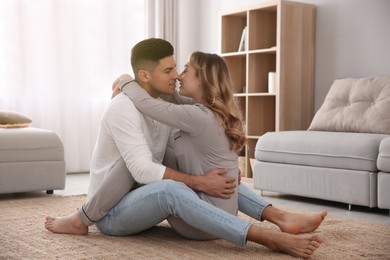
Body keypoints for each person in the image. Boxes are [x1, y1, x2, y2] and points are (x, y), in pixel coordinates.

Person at [45, 38, 325, 258]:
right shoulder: (123, 109)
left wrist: (209, 176)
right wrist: (200, 181)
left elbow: (175, 147)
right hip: (109, 211)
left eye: (179, 68)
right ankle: (266, 237)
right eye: (168, 70)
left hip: (142, 197)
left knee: (202, 174)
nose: (177, 75)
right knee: (169, 183)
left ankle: (278, 216)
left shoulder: (171, 107)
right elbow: (142, 169)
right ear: (144, 75)